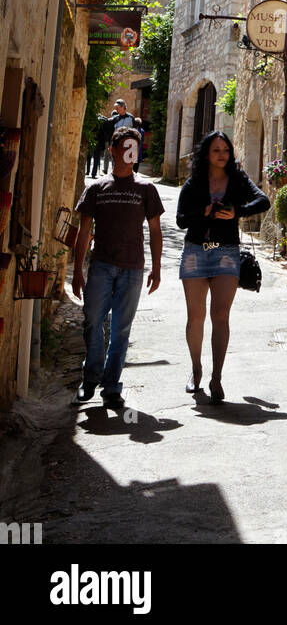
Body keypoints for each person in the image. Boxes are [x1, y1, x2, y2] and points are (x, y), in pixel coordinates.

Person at [72, 127, 164, 406]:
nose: (129, 153)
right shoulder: (96, 188)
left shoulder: (146, 189)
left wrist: (157, 267)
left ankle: (111, 386)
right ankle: (91, 377)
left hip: (133, 268)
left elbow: (156, 230)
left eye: (133, 148)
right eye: (124, 147)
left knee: (121, 329)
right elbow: (84, 231)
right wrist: (77, 270)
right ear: (112, 150)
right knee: (92, 320)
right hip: (101, 265)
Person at [177, 130, 269, 403]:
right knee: (195, 318)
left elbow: (262, 200)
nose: (222, 155)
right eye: (216, 150)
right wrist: (202, 213)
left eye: (226, 150)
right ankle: (196, 370)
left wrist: (237, 212)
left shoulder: (238, 179)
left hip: (226, 254)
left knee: (221, 316)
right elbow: (181, 219)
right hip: (195, 253)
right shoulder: (194, 183)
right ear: (206, 153)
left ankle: (216, 376)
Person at [100, 100, 136, 174]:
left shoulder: (131, 118)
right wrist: (111, 144)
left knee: (126, 162)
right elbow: (112, 133)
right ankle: (115, 176)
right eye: (115, 108)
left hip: (127, 144)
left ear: (123, 107)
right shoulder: (115, 118)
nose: (116, 110)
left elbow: (135, 132)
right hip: (116, 144)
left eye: (117, 108)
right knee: (115, 161)